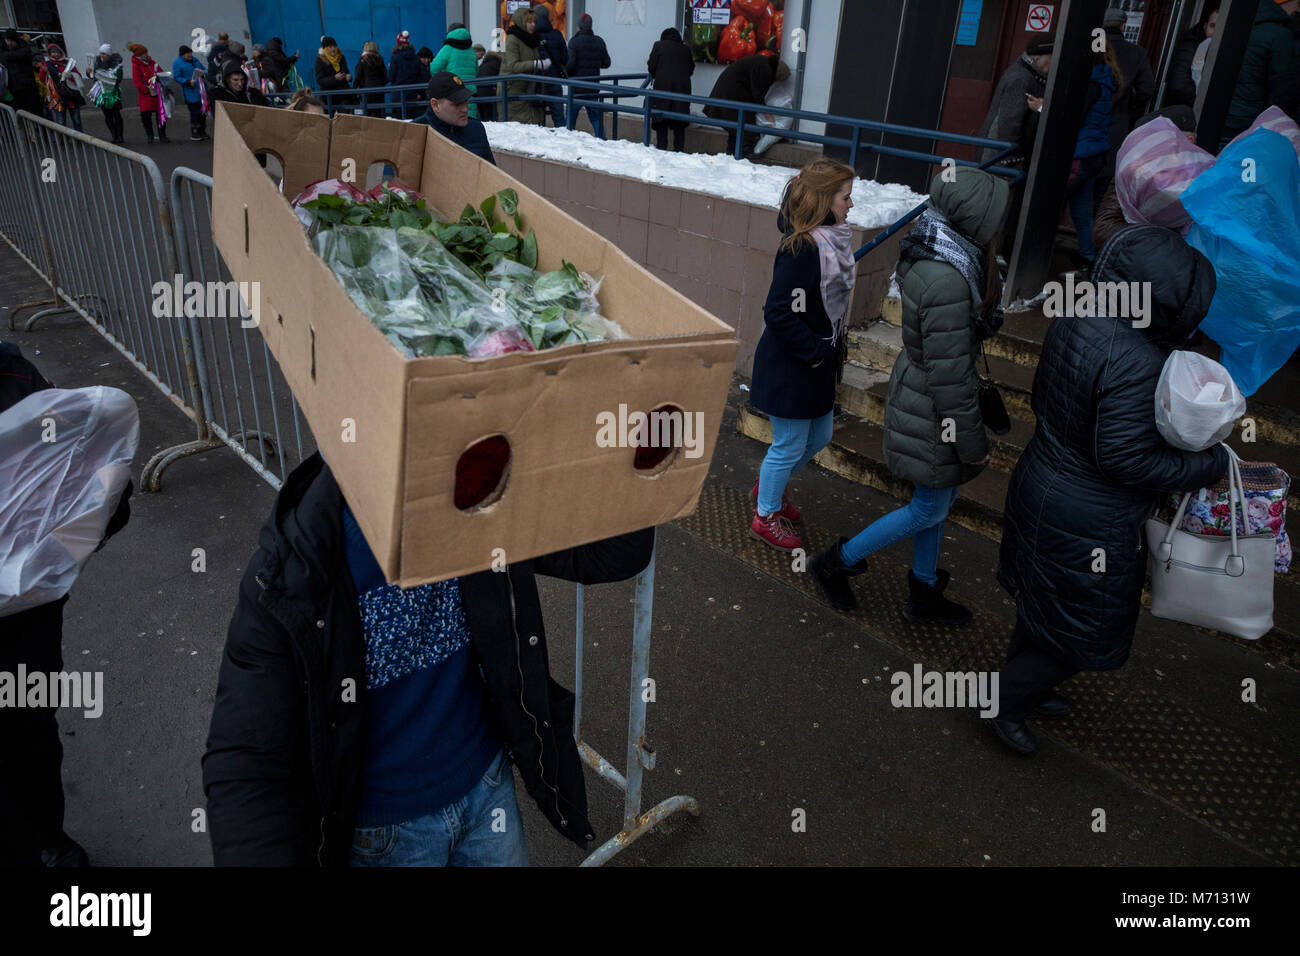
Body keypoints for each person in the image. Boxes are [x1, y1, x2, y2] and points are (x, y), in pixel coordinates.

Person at [202, 450, 653, 866]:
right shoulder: (296, 564)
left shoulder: (478, 500)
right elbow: (246, 754)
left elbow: (611, 553)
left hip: (487, 794)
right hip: (384, 834)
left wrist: (642, 437)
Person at [992, 226, 1230, 754]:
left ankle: (1027, 688)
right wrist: (1205, 463)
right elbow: (1125, 458)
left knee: (1043, 604)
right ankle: (1006, 698)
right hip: (1089, 515)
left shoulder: (1078, 314)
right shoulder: (1140, 360)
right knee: (1086, 631)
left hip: (1042, 481)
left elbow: (1048, 399)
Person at [811, 168, 1006, 620]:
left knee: (936, 500)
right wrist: (973, 447)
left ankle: (923, 590)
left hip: (925, 395)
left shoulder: (943, 249)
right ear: (973, 215)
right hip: (934, 406)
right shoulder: (948, 278)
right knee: (928, 508)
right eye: (995, 214)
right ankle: (836, 562)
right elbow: (951, 379)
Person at [0, 341, 132, 868]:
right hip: (26, 623)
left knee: (27, 734)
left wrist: (46, 564)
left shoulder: (13, 375)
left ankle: (45, 838)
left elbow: (99, 494)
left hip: (22, 627)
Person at [748, 158, 859, 553]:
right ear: (825, 200)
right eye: (846, 197)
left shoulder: (829, 240)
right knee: (790, 444)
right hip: (794, 365)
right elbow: (778, 310)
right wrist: (813, 352)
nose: (851, 205)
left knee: (821, 435)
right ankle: (765, 516)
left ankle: (770, 489)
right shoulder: (803, 248)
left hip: (815, 361)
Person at [978, 34, 1052, 241]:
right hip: (1002, 158)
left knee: (1000, 210)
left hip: (1004, 156)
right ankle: (990, 255)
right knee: (998, 210)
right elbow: (1009, 123)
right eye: (1052, 57)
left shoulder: (1029, 75)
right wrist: (1011, 157)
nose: (1054, 64)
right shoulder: (1022, 78)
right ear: (1039, 57)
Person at [1093, 104, 1199, 249]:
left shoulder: (1204, 180)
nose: (1145, 152)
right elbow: (1104, 229)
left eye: (1155, 143)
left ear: (1188, 142)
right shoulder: (1134, 173)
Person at [1061, 46, 1120, 272]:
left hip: (1079, 154)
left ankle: (1033, 254)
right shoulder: (1106, 81)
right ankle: (1088, 257)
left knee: (1047, 207)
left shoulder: (1089, 84)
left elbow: (1072, 117)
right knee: (1081, 210)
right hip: (1095, 155)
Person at [1097, 7, 1154, 209]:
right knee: (1102, 187)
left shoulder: (1095, 48)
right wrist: (1130, 105)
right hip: (1117, 123)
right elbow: (1146, 89)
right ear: (1123, 26)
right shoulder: (1137, 53)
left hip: (1088, 123)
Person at [1224, 0, 1300, 143]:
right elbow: (1282, 89)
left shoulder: (1232, 25)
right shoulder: (1280, 35)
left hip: (1219, 118)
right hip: (1252, 124)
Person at [704, 54, 791, 157]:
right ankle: (744, 152)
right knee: (745, 124)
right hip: (732, 93)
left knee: (736, 125)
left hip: (729, 91)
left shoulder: (763, 62)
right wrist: (767, 115)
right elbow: (757, 95)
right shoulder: (765, 69)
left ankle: (732, 152)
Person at [420, 71, 495, 164]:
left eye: (465, 101)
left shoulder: (476, 129)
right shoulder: (416, 133)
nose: (465, 109)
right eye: (457, 104)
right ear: (435, 105)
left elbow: (491, 174)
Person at [648, 27, 694, 152]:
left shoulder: (659, 45)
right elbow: (691, 69)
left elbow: (651, 67)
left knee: (661, 121)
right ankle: (679, 151)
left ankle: (662, 150)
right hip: (682, 91)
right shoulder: (686, 49)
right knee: (679, 124)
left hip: (662, 90)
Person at [566, 14, 610, 138]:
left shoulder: (574, 42)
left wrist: (564, 72)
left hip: (576, 88)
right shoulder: (599, 41)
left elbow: (570, 65)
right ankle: (602, 141)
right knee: (596, 119)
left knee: (570, 120)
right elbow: (607, 63)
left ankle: (567, 141)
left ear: (579, 27)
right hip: (593, 88)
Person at [1165, 5, 1218, 107]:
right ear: (1205, 26)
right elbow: (1178, 85)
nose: (1216, 32)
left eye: (1220, 27)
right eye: (1213, 26)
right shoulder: (1191, 46)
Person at [502, 7, 547, 125]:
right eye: (529, 22)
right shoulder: (513, 39)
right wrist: (535, 64)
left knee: (533, 124)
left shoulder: (532, 39)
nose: (532, 25)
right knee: (518, 127)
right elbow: (513, 66)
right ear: (522, 22)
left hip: (528, 88)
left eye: (534, 22)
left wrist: (541, 64)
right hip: (513, 89)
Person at [429, 23, 480, 119]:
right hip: (470, 92)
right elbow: (476, 70)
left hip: (453, 91)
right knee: (469, 119)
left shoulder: (448, 48)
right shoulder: (471, 51)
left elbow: (434, 68)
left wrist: (443, 79)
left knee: (454, 121)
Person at [127, 43, 170, 144]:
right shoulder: (136, 65)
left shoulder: (152, 62)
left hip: (157, 93)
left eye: (146, 52)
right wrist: (147, 90)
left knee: (161, 115)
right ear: (139, 55)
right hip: (146, 95)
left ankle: (162, 135)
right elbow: (137, 81)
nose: (146, 54)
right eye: (144, 53)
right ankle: (150, 136)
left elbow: (160, 72)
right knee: (146, 117)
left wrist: (161, 78)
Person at [533, 6, 569, 128]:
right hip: (554, 81)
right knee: (558, 116)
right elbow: (565, 58)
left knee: (536, 116)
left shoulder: (531, 36)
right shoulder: (557, 34)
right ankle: (564, 140)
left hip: (537, 82)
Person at [1, 29, 42, 117]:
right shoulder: (3, 50)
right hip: (13, 90)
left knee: (37, 114)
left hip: (28, 87)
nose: (9, 43)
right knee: (20, 115)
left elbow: (20, 54)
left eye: (12, 41)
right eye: (7, 40)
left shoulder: (24, 48)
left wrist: (5, 56)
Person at [89, 44, 125, 143]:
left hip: (113, 93)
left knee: (116, 114)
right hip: (101, 92)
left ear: (109, 54)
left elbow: (119, 78)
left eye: (104, 53)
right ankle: (114, 136)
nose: (102, 55)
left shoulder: (116, 63)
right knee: (107, 115)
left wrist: (109, 82)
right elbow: (94, 76)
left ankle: (120, 136)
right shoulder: (97, 61)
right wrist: (89, 73)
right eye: (101, 53)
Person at [45, 44, 85, 132]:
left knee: (76, 120)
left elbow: (78, 77)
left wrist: (70, 76)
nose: (56, 54)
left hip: (71, 95)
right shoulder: (47, 65)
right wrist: (43, 71)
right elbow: (42, 79)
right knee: (60, 121)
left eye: (58, 52)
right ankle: (62, 140)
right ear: (49, 53)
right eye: (53, 52)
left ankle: (79, 139)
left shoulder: (68, 63)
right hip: (57, 97)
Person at [172, 45, 207, 141]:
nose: (189, 55)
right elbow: (177, 77)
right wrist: (187, 82)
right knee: (195, 113)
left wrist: (204, 73)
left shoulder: (195, 60)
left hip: (201, 91)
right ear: (182, 55)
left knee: (203, 113)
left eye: (190, 52)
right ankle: (195, 132)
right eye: (187, 53)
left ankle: (202, 131)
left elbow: (204, 69)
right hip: (190, 92)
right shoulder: (177, 63)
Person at [387, 30, 425, 117]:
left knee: (398, 122)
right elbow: (421, 77)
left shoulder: (394, 58)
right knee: (411, 121)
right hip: (412, 95)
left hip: (397, 95)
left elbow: (390, 77)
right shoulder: (416, 58)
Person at [314, 35, 353, 105]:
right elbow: (320, 80)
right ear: (325, 49)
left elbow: (346, 71)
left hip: (343, 95)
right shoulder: (320, 60)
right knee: (328, 115)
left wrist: (348, 77)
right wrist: (334, 78)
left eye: (334, 46)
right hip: (329, 97)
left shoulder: (341, 57)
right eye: (330, 47)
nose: (333, 49)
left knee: (345, 114)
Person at [353, 40, 388, 116]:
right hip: (379, 91)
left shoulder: (363, 60)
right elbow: (386, 77)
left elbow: (358, 77)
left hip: (367, 92)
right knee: (379, 115)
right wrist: (380, 85)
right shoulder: (380, 60)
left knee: (368, 116)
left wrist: (354, 89)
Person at [475, 50, 502, 122]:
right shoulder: (497, 63)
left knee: (484, 119)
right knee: (492, 119)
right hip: (490, 93)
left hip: (478, 94)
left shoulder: (482, 65)